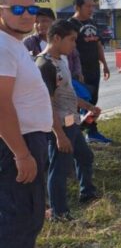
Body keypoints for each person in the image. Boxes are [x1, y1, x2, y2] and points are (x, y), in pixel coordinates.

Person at [0, 0, 52, 248]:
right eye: (16, 9)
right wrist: (22, 153)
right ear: (1, 11)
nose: (26, 16)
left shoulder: (13, 44)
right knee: (18, 220)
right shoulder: (3, 46)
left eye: (31, 9)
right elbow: (1, 104)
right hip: (16, 144)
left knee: (27, 218)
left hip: (27, 139)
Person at [36, 20, 100, 221]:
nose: (74, 45)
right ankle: (59, 213)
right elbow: (48, 104)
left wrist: (87, 106)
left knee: (85, 156)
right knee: (59, 170)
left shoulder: (60, 60)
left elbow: (67, 93)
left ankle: (87, 192)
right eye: (71, 40)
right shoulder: (44, 65)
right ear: (56, 38)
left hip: (72, 123)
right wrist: (59, 135)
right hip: (60, 127)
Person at [69, 0, 112, 144]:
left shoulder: (92, 23)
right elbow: (69, 50)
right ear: (77, 7)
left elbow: (98, 45)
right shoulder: (70, 25)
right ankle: (76, 134)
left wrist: (104, 65)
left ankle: (92, 131)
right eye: (88, 6)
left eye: (92, 6)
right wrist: (76, 71)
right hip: (79, 72)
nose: (91, 9)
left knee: (93, 101)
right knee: (78, 103)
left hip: (94, 69)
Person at [23, 8, 83, 80]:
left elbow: (75, 57)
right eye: (36, 22)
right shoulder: (29, 43)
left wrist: (77, 73)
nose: (39, 25)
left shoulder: (63, 37)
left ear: (54, 22)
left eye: (44, 21)